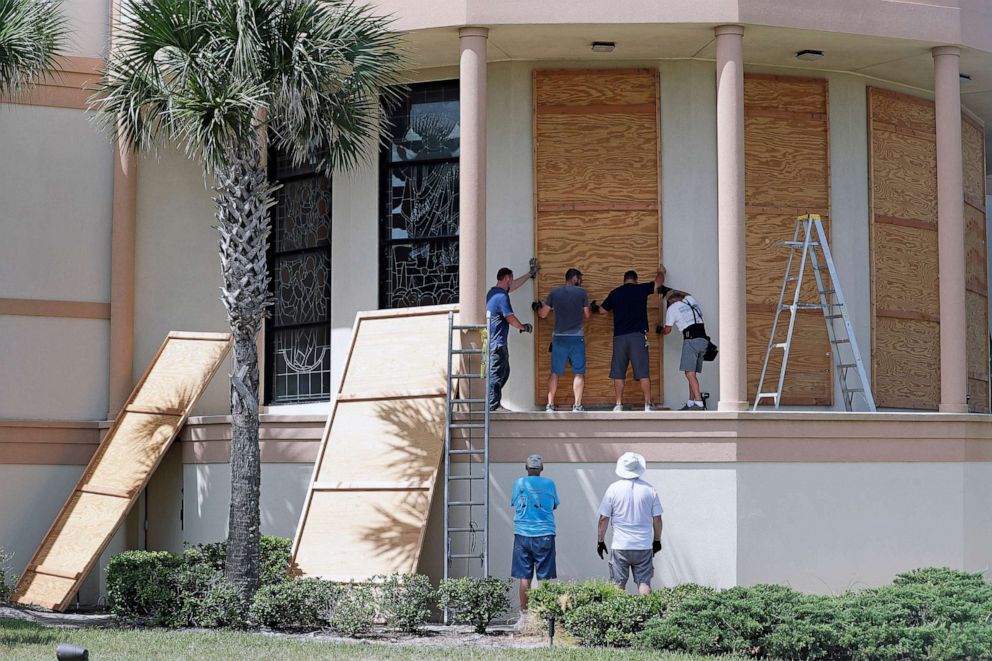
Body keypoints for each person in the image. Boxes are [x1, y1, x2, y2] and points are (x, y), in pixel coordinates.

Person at [597, 267, 667, 412]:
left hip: (619, 337)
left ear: (624, 281)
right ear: (636, 280)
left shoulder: (615, 292)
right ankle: (648, 404)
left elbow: (602, 311)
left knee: (618, 372)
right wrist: (661, 272)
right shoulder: (640, 289)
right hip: (637, 337)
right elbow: (658, 283)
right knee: (643, 371)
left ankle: (618, 404)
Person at [596, 451, 664, 596]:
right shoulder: (649, 489)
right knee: (644, 583)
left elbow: (603, 518)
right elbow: (657, 519)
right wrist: (657, 540)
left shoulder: (613, 489)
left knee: (617, 585)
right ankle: (648, 616)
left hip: (621, 544)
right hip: (643, 545)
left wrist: (600, 541)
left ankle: (617, 617)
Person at [535, 268, 591, 412]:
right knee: (579, 372)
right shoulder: (582, 293)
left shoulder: (554, 293)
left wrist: (537, 307)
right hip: (576, 338)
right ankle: (577, 405)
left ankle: (550, 404)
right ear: (573, 278)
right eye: (578, 278)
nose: (579, 281)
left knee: (555, 372)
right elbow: (587, 314)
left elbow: (542, 314)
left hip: (559, 338)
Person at [510, 454, 559, 617]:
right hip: (545, 534)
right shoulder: (549, 483)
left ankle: (524, 616)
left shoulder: (518, 483)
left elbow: (514, 504)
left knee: (525, 578)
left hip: (522, 534)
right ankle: (542, 615)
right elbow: (554, 506)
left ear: (526, 468)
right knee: (544, 577)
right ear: (541, 468)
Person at [486, 263, 538, 411]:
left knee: (504, 371)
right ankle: (493, 406)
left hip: (495, 341)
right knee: (496, 374)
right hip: (497, 343)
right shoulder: (501, 296)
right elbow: (510, 317)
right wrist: (523, 327)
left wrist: (529, 274)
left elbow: (514, 286)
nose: (512, 283)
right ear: (507, 278)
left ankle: (494, 403)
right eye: (511, 279)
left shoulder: (493, 293)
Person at [662, 291, 709, 410]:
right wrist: (671, 290)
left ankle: (699, 402)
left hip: (691, 340)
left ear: (671, 300)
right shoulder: (690, 300)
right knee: (691, 373)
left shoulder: (672, 308)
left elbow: (667, 330)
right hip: (703, 341)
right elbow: (687, 293)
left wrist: (659, 330)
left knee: (688, 373)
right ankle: (690, 402)